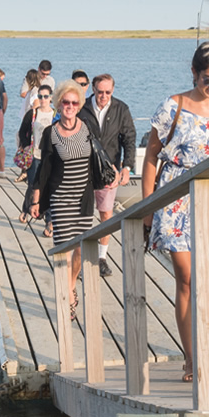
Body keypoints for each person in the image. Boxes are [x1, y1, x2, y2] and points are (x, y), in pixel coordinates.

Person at [141, 44, 209, 385]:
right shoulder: (173, 106)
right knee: (188, 279)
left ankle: (207, 342)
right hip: (175, 199)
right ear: (194, 73)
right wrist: (147, 208)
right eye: (208, 79)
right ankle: (193, 359)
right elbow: (151, 156)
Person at [30, 80, 96, 321]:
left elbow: (99, 156)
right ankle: (67, 295)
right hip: (60, 198)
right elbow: (44, 167)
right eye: (65, 102)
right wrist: (36, 200)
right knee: (64, 250)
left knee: (79, 248)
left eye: (74, 102)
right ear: (59, 104)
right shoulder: (51, 132)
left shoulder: (88, 128)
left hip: (83, 199)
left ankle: (70, 283)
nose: (69, 106)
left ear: (79, 105)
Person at [78, 73, 136, 277]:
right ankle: (78, 257)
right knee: (81, 214)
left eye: (108, 92)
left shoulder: (121, 109)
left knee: (106, 214)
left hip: (108, 170)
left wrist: (127, 167)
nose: (103, 96)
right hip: (83, 169)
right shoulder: (81, 108)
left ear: (113, 90)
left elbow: (129, 138)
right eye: (100, 92)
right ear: (93, 89)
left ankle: (101, 257)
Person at [17, 84, 55, 237]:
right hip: (35, 155)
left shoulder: (56, 114)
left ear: (51, 98)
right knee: (33, 185)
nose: (43, 99)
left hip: (51, 157)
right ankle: (27, 209)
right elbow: (22, 132)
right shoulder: (32, 114)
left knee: (50, 189)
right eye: (40, 96)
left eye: (46, 96)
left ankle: (50, 221)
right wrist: (27, 147)